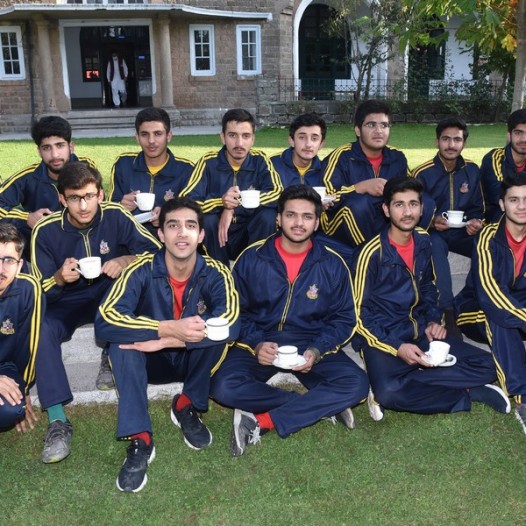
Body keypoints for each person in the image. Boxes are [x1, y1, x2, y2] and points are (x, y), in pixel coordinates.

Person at [210, 185, 369, 456]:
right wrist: (257, 344)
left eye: (307, 216)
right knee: (221, 385)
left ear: (317, 223)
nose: (298, 223)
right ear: (278, 218)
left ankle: (262, 421)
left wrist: (317, 350)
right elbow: (234, 313)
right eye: (291, 215)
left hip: (310, 340)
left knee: (357, 384)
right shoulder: (252, 257)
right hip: (261, 339)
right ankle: (316, 404)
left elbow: (344, 319)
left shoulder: (332, 263)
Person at [95, 197, 240, 493]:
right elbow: (105, 320)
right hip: (150, 364)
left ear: (201, 235)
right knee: (121, 345)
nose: (182, 233)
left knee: (216, 331)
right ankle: (141, 437)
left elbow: (231, 321)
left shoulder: (216, 271)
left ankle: (186, 404)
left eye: (190, 226)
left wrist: (170, 339)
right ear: (161, 234)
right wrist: (163, 328)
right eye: (173, 226)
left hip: (191, 359)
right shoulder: (140, 269)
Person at [31, 162, 160, 464]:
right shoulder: (45, 231)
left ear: (101, 194)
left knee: (127, 300)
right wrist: (58, 279)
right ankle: (57, 419)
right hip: (66, 300)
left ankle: (109, 358)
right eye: (74, 198)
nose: (83, 205)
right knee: (42, 327)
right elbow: (34, 290)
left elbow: (156, 252)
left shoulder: (116, 215)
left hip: (108, 293)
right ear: (62, 199)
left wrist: (126, 259)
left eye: (89, 196)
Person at [352, 176, 509, 420]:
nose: (407, 212)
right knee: (388, 393)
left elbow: (428, 288)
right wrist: (397, 347)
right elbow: (358, 316)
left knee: (489, 365)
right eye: (399, 204)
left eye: (413, 204)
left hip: (420, 332)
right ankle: (466, 394)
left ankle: (408, 378)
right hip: (383, 338)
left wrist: (434, 321)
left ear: (422, 208)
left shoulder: (424, 240)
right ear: (386, 209)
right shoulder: (370, 253)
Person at [322, 99, 432, 247]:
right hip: (343, 222)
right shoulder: (341, 157)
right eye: (371, 125)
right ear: (357, 130)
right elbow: (326, 200)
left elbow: (412, 190)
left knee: (426, 202)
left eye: (384, 125)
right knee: (359, 205)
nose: (379, 131)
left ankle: (409, 248)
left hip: (383, 217)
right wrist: (360, 187)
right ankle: (369, 254)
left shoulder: (397, 157)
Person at [412, 116, 484, 337]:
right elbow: (412, 210)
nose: (451, 145)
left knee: (485, 243)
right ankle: (448, 311)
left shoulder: (472, 170)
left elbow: (478, 207)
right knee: (434, 247)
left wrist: (476, 222)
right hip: (435, 232)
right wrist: (431, 221)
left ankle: (475, 301)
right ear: (437, 141)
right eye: (446, 139)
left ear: (464, 143)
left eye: (457, 140)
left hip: (463, 232)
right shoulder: (422, 173)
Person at [182, 108, 283, 265]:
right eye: (232, 135)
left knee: (267, 216)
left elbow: (278, 193)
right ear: (223, 137)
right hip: (216, 238)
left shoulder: (260, 160)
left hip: (248, 234)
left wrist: (233, 207)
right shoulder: (208, 161)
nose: (239, 143)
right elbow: (186, 201)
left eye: (246, 136)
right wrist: (221, 202)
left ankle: (255, 267)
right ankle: (218, 271)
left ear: (253, 139)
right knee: (207, 220)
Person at [467, 174, 526, 433]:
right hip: (476, 309)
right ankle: (523, 397)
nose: (521, 206)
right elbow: (491, 295)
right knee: (500, 317)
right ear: (502, 204)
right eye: (514, 200)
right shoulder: (488, 237)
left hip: (519, 305)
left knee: (509, 314)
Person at [0, 116, 96, 259]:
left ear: (71, 147)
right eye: (46, 148)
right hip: (44, 251)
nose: (54, 155)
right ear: (39, 151)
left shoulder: (87, 168)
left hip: (86, 247)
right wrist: (27, 218)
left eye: (60, 145)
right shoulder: (28, 178)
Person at [108, 107, 194, 237]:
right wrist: (121, 206)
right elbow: (107, 211)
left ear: (168, 136)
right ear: (137, 137)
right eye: (144, 134)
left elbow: (193, 213)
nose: (151, 141)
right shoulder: (123, 165)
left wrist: (167, 216)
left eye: (158, 134)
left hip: (170, 240)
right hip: (129, 238)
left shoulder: (186, 170)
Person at [0, 223, 43, 433]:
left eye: (9, 260)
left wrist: (23, 389)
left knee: (12, 409)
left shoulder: (28, 289)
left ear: (19, 266)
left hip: (5, 366)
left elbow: (30, 347)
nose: (1, 269)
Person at [480, 108, 526, 223]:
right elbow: (501, 196)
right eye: (518, 133)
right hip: (496, 221)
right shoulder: (495, 158)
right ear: (509, 135)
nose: (524, 139)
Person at [270, 113, 326, 188]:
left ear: (321, 144)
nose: (308, 144)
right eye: (302, 137)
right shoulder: (271, 166)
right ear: (292, 141)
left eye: (314, 139)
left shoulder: (326, 172)